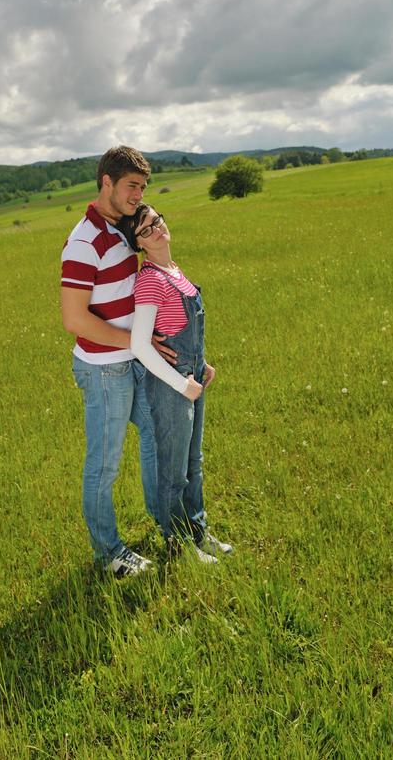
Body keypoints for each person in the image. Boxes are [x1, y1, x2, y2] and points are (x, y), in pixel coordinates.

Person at [60, 146, 173, 577]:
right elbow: (74, 319)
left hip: (134, 360)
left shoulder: (123, 229)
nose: (138, 194)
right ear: (106, 182)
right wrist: (135, 341)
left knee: (156, 435)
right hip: (105, 369)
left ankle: (166, 521)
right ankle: (108, 553)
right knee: (104, 464)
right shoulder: (84, 242)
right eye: (131, 186)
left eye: (142, 187)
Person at [122, 203, 233, 564]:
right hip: (171, 387)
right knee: (173, 471)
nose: (156, 228)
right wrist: (180, 382)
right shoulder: (151, 279)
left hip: (192, 376)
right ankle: (179, 545)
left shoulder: (173, 270)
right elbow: (140, 344)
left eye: (157, 220)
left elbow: (179, 332)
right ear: (138, 244)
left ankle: (198, 532)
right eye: (145, 229)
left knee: (193, 462)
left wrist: (203, 364)